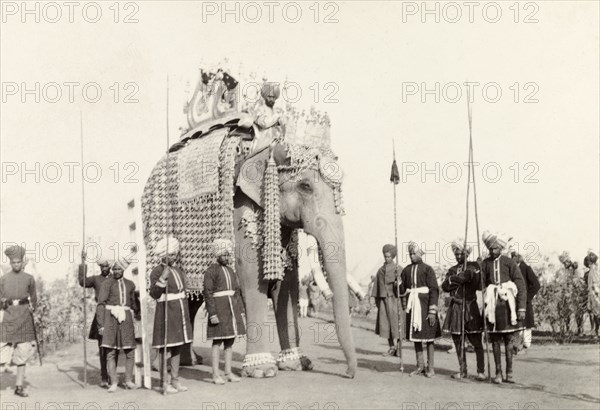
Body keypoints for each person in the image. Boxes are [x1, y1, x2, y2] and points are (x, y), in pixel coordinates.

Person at [149, 235, 193, 394]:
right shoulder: (156, 271)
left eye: (175, 254)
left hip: (179, 312)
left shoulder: (178, 271)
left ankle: (175, 380)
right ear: (163, 254)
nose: (174, 257)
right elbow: (154, 294)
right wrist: (162, 279)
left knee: (176, 348)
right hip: (166, 311)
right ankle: (163, 382)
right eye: (171, 254)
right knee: (164, 348)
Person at [481, 231, 526, 384]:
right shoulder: (485, 263)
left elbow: (520, 283)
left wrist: (521, 308)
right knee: (494, 339)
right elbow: (481, 284)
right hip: (493, 305)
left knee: (508, 339)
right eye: (490, 249)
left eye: (495, 248)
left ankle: (509, 371)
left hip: (507, 305)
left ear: (500, 248)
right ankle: (498, 372)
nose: (492, 251)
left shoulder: (509, 262)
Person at [203, 238, 246, 385]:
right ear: (218, 255)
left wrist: (240, 311)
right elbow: (208, 293)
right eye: (224, 255)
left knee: (229, 341)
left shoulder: (231, 271)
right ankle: (215, 374)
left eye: (229, 255)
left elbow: (236, 292)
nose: (227, 258)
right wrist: (212, 313)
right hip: (219, 309)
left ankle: (228, 372)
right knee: (217, 341)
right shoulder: (211, 271)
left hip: (231, 310)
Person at [441, 240, 485, 381]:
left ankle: (481, 371)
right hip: (456, 307)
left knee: (476, 340)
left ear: (466, 254)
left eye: (461, 254)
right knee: (458, 341)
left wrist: (475, 273)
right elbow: (445, 286)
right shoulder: (453, 270)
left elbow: (479, 285)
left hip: (470, 306)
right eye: (456, 254)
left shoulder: (474, 266)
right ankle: (463, 370)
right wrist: (461, 278)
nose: (458, 256)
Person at [399, 242, 441, 377]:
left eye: (413, 253)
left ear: (419, 254)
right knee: (416, 337)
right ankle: (420, 366)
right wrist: (397, 282)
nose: (411, 256)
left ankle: (431, 367)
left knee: (429, 337)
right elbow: (402, 290)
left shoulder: (428, 269)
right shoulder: (406, 270)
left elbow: (434, 290)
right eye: (409, 254)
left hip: (425, 306)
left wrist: (432, 311)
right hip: (413, 305)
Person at [96, 257, 138, 392]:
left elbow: (133, 304)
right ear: (112, 270)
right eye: (115, 269)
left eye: (119, 269)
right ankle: (114, 381)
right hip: (110, 318)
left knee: (130, 350)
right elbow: (101, 304)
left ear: (124, 270)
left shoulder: (130, 284)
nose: (117, 271)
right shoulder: (107, 283)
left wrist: (136, 317)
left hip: (126, 318)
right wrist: (101, 324)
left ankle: (128, 380)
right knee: (110, 352)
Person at [0, 245, 37, 397]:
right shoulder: (3, 279)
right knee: (2, 352)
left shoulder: (29, 278)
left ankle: (19, 386)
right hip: (8, 316)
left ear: (22, 262)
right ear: (10, 263)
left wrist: (33, 307)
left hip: (24, 316)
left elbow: (34, 297)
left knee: (22, 353)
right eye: (13, 262)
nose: (16, 265)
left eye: (18, 262)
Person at [79, 253, 112, 387]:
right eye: (102, 266)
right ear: (99, 267)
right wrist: (83, 262)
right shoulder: (96, 279)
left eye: (106, 266)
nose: (104, 268)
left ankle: (113, 375)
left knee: (114, 347)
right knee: (103, 348)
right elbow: (82, 281)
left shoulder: (115, 278)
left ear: (109, 267)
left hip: (115, 313)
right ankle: (104, 376)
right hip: (101, 315)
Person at [371, 244, 402, 357]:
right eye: (385, 256)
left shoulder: (398, 269)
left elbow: (402, 286)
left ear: (393, 256)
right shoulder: (380, 270)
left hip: (395, 300)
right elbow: (377, 287)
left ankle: (399, 348)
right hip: (384, 301)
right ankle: (391, 347)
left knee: (397, 324)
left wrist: (398, 283)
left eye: (389, 256)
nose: (387, 258)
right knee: (386, 325)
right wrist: (377, 299)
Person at [511, 252, 540, 352]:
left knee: (526, 325)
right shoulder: (512, 269)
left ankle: (525, 346)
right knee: (516, 323)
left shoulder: (526, 268)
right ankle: (516, 346)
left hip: (525, 302)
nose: (513, 258)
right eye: (512, 256)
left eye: (515, 256)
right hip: (514, 301)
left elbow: (536, 284)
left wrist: (527, 297)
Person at [252, 82, 285, 153]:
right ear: (265, 97)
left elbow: (282, 128)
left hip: (275, 145)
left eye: (273, 97)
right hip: (262, 145)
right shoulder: (260, 109)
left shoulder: (275, 111)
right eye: (269, 97)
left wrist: (281, 122)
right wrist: (276, 118)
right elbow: (264, 124)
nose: (272, 99)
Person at [585, 250, 600, 338]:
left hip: (597, 293)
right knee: (595, 313)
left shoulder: (596, 269)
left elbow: (596, 282)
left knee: (597, 313)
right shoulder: (592, 270)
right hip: (593, 294)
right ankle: (596, 331)